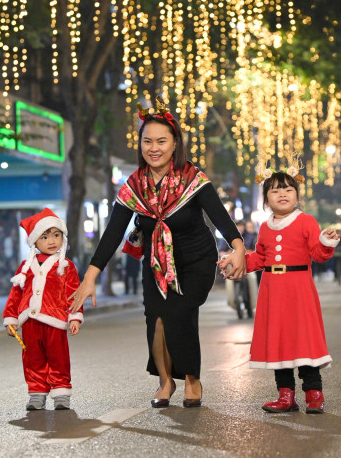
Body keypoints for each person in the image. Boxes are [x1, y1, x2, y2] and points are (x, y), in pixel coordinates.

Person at [70, 99, 246, 409]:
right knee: (156, 320)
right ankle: (165, 381)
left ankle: (192, 378)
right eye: (147, 141)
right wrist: (89, 277)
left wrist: (239, 246)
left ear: (175, 143)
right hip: (155, 264)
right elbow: (112, 233)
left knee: (179, 314)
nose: (154, 148)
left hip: (195, 261)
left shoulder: (193, 179)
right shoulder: (134, 186)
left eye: (161, 141)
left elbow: (219, 217)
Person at [219, 170, 339, 414]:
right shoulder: (264, 227)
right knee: (278, 339)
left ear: (297, 196)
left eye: (288, 189)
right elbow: (260, 258)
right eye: (274, 190)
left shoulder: (306, 221)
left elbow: (317, 253)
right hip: (272, 290)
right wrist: (236, 261)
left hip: (299, 290)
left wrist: (326, 242)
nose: (282, 194)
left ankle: (314, 394)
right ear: (266, 200)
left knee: (303, 339)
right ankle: (286, 396)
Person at [3, 208, 83, 411]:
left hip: (55, 320)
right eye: (45, 236)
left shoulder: (66, 265)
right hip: (29, 323)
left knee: (59, 357)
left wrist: (74, 316)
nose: (51, 241)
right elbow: (16, 294)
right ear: (34, 241)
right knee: (33, 358)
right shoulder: (25, 266)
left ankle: (61, 392)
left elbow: (73, 292)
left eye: (56, 235)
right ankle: (37, 392)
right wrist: (11, 318)